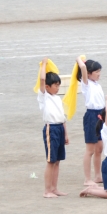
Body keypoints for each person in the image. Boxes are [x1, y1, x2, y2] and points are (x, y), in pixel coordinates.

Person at [37, 59, 68, 198]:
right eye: (55, 85)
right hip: (51, 129)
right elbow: (42, 79)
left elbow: (63, 117)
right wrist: (44, 65)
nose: (57, 88)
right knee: (51, 160)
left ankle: (54, 188)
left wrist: (66, 133)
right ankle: (47, 190)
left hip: (60, 127)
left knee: (57, 160)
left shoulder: (57, 98)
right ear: (48, 87)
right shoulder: (44, 97)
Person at [76, 57, 105, 187]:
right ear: (88, 73)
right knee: (90, 149)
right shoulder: (86, 83)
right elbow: (82, 67)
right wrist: (80, 59)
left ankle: (98, 175)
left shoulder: (97, 84)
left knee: (99, 148)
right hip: (92, 115)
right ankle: (87, 178)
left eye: (99, 71)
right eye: (96, 71)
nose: (99, 73)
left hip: (100, 114)